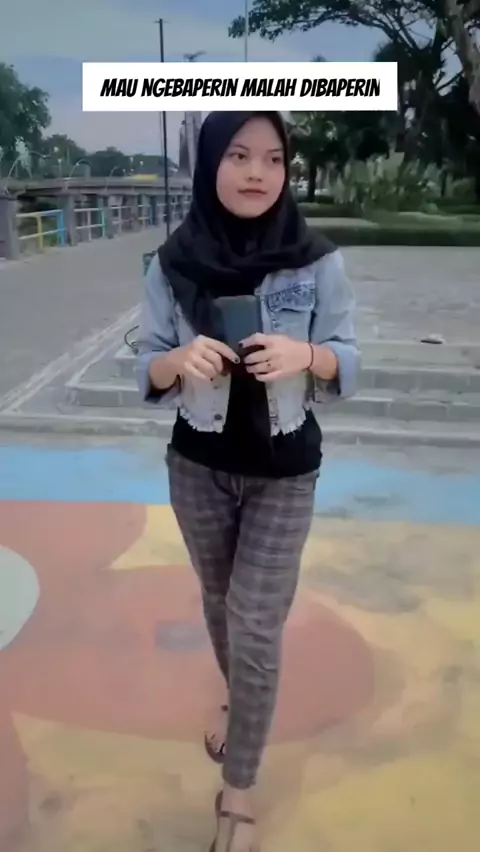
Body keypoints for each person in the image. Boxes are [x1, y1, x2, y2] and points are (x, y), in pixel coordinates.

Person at [135, 111, 359, 852]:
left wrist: (308, 355)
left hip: (284, 471)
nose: (257, 172)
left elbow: (350, 357)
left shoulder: (317, 261)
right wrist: (178, 361)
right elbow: (146, 365)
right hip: (197, 466)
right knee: (219, 603)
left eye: (272, 158)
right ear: (210, 166)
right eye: (238, 155)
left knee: (255, 623)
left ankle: (238, 792)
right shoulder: (170, 263)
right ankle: (241, 699)